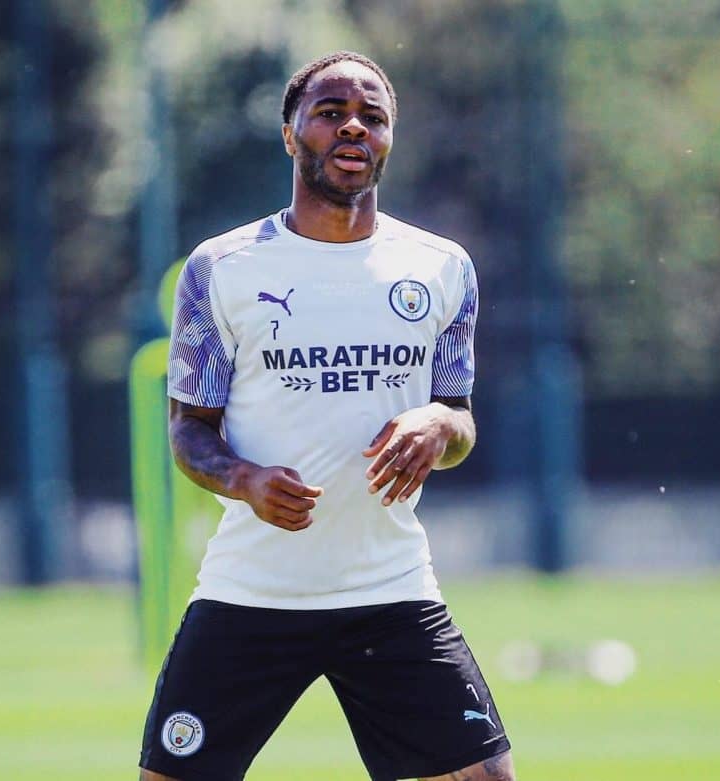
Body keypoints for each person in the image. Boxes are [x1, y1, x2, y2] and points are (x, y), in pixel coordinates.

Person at [139, 51, 515, 781]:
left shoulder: (441, 267)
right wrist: (245, 479)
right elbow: (188, 429)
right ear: (290, 134)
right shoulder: (222, 267)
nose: (353, 127)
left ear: (389, 140)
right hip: (252, 591)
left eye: (373, 117)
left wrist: (439, 426)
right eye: (330, 112)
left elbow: (461, 421)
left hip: (390, 590)